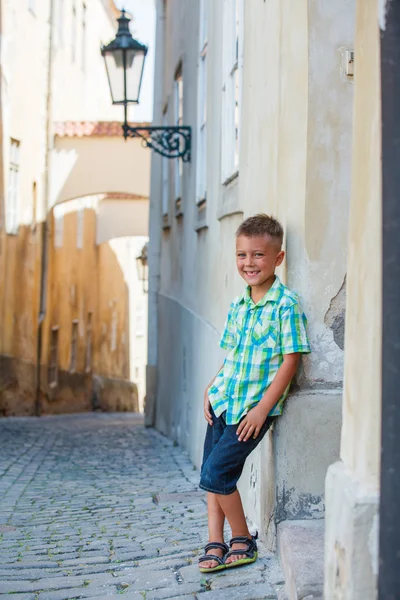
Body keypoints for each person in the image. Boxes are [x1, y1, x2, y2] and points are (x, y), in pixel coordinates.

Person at [198, 213, 311, 572]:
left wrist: (264, 409)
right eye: (242, 255)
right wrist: (211, 386)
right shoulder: (238, 304)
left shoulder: (286, 305)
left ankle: (243, 541)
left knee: (218, 474)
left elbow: (290, 361)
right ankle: (216, 541)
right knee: (209, 474)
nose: (249, 263)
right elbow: (232, 356)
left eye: (258, 255)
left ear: (278, 258)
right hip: (223, 401)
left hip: (251, 409)